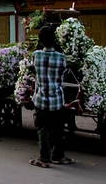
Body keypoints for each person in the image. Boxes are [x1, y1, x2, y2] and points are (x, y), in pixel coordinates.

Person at [29, 26, 74, 168]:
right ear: (54, 40)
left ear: (41, 41)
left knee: (43, 129)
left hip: (41, 99)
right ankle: (58, 156)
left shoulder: (36, 55)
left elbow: (33, 70)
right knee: (58, 129)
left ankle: (44, 158)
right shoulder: (61, 57)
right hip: (57, 100)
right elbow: (63, 74)